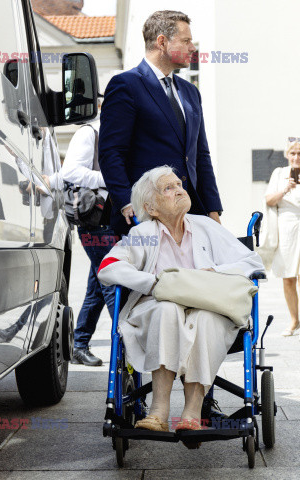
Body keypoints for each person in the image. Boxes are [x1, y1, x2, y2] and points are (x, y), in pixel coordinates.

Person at [97, 166, 264, 440]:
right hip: (156, 308)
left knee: (205, 318)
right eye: (168, 188)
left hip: (209, 306)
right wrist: (153, 284)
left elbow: (252, 262)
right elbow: (108, 267)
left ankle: (192, 415)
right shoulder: (144, 234)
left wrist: (214, 274)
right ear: (151, 207)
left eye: (179, 184)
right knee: (167, 308)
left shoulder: (205, 226)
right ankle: (159, 412)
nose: (179, 189)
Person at [99, 10, 222, 237]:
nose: (192, 48)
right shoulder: (126, 85)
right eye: (186, 41)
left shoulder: (190, 92)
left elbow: (200, 155)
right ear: (162, 42)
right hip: (143, 215)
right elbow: (111, 152)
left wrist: (213, 209)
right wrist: (128, 202)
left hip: (190, 216)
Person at [62, 118, 117, 366]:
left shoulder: (115, 132)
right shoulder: (89, 133)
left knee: (97, 284)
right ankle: (127, 341)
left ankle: (79, 345)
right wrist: (110, 178)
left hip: (110, 219)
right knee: (112, 280)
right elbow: (70, 172)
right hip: (94, 219)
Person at [264, 138, 300, 336]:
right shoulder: (279, 174)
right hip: (287, 230)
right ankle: (294, 320)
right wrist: (285, 189)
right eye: (293, 153)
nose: (296, 157)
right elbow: (269, 200)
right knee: (288, 278)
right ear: (287, 155)